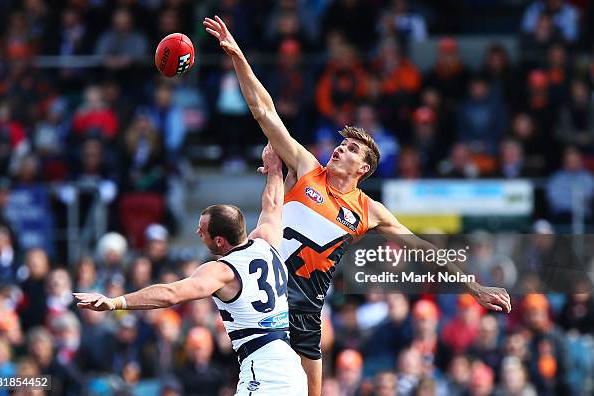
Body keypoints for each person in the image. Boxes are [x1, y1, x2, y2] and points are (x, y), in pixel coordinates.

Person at [203, 15, 512, 396]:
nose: (340, 148)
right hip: (271, 299)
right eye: (342, 144)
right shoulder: (306, 168)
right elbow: (265, 112)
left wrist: (474, 287)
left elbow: (426, 251)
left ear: (363, 168)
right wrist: (238, 57)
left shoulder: (369, 210)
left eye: (351, 149)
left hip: (308, 311)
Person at [74, 144, 308, 396]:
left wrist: (115, 302)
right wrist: (274, 168)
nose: (197, 233)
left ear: (219, 241)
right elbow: (273, 204)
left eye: (203, 230)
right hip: (290, 364)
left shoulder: (222, 271)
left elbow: (170, 294)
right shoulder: (266, 242)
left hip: (263, 369)